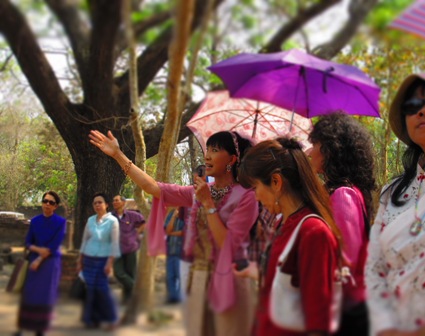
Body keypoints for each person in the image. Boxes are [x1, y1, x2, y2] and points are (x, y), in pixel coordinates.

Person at [89, 130, 259, 336]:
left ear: (232, 159)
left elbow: (228, 245)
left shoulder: (247, 197)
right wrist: (117, 155)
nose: (207, 156)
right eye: (208, 149)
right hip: (199, 276)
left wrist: (208, 204)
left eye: (215, 150)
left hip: (231, 280)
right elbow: (152, 187)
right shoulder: (200, 191)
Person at [365, 67, 425, 336]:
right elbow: (374, 267)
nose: (424, 111)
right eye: (413, 105)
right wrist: (386, 327)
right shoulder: (393, 192)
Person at [235, 137, 342, 336]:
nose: (256, 197)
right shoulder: (282, 223)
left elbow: (318, 321)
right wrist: (255, 271)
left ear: (276, 182)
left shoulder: (313, 233)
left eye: (255, 188)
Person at [308, 112, 376, 335]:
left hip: (345, 309)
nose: (310, 152)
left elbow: (347, 260)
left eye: (315, 144)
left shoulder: (342, 195)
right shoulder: (347, 191)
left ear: (330, 149)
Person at [14, 191, 66, 336]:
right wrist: (38, 250)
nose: (47, 204)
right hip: (34, 263)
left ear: (55, 206)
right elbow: (28, 242)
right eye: (45, 201)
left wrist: (40, 258)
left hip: (49, 264)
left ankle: (40, 329)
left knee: (45, 296)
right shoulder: (35, 221)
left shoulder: (60, 223)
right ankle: (22, 327)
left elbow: (55, 245)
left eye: (51, 202)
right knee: (29, 294)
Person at [76, 192, 120, 330]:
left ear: (107, 204)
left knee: (102, 289)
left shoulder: (113, 221)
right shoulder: (90, 220)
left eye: (100, 202)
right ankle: (92, 319)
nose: (97, 205)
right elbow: (85, 240)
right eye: (95, 203)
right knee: (90, 290)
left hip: (103, 260)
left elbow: (114, 244)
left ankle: (112, 319)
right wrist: (80, 260)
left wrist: (110, 263)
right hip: (88, 258)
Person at [111, 195, 145, 303]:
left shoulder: (131, 215)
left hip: (130, 247)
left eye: (117, 200)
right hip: (116, 249)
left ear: (123, 203)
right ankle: (137, 288)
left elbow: (144, 222)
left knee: (130, 273)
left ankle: (128, 300)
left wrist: (136, 233)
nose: (114, 202)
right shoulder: (110, 216)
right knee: (118, 273)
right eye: (113, 201)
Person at [163, 206, 186, 303]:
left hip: (182, 251)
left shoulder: (188, 214)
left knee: (180, 275)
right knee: (170, 276)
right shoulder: (172, 214)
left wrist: (171, 233)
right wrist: (173, 216)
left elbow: (185, 232)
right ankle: (173, 297)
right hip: (171, 250)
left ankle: (179, 297)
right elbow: (167, 230)